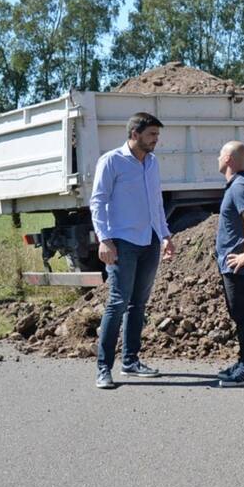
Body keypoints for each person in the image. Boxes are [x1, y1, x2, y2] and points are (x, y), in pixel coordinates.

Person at [89, 112, 175, 390]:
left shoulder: (152, 163)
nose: (156, 140)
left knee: (138, 304)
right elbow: (97, 202)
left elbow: (156, 202)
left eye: (157, 135)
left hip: (150, 241)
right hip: (122, 242)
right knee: (117, 302)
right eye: (152, 135)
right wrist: (104, 239)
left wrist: (165, 235)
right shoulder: (111, 161)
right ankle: (103, 369)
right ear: (135, 134)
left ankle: (131, 361)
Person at [215, 140, 244, 387]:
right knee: (238, 313)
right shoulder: (236, 185)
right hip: (232, 263)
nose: (217, 158)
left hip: (238, 264)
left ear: (228, 159)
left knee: (243, 315)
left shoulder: (240, 186)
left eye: (220, 154)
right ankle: (243, 361)